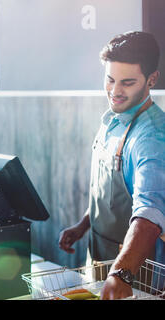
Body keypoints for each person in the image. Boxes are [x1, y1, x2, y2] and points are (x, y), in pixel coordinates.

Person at [58, 31, 164, 300]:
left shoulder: (151, 138)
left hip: (133, 273)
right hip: (99, 255)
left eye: (127, 83)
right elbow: (111, 190)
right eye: (110, 79)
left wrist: (121, 274)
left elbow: (150, 213)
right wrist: (84, 224)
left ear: (152, 79)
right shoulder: (113, 119)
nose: (115, 92)